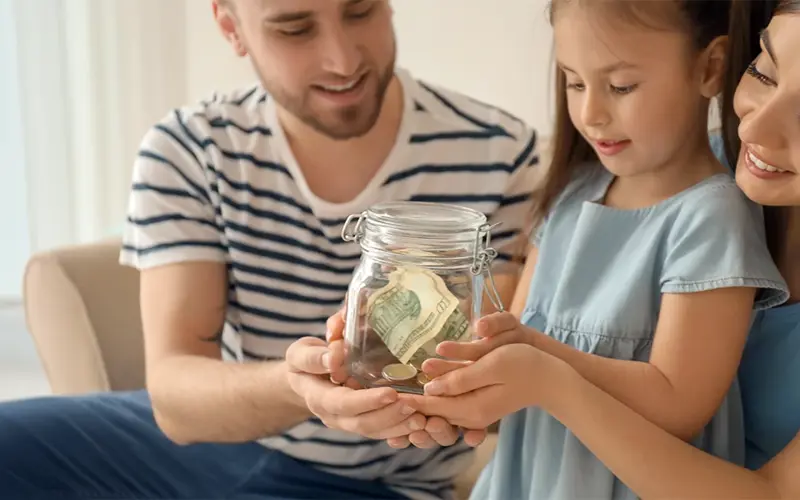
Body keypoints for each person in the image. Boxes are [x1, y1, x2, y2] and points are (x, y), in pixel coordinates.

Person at [0, 1, 539, 499]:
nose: (342, 59)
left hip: (372, 484)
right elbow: (174, 397)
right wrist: (301, 384)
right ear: (231, 26)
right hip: (210, 442)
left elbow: (499, 385)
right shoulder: (191, 149)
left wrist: (461, 390)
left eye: (360, 10)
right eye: (294, 28)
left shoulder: (506, 155)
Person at [363, 0, 792, 499]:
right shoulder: (570, 195)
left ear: (710, 67)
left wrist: (540, 362)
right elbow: (505, 346)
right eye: (573, 81)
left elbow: (679, 407)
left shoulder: (712, 215)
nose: (591, 113)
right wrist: (406, 367)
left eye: (621, 86)